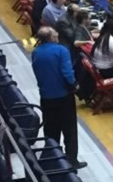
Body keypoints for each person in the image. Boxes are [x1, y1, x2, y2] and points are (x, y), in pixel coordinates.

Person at [32, 26, 81, 168]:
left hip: (46, 96)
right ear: (51, 37)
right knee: (69, 129)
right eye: (55, 33)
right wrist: (75, 85)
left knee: (51, 129)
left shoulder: (36, 52)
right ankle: (72, 161)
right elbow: (67, 72)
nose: (57, 34)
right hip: (63, 96)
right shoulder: (61, 50)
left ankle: (53, 159)